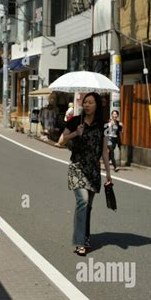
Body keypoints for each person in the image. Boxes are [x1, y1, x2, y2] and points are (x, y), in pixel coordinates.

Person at [60, 92, 112, 256]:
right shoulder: (76, 120)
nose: (87, 105)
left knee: (88, 206)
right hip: (77, 167)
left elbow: (104, 150)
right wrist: (76, 133)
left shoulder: (102, 125)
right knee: (82, 201)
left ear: (97, 105)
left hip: (93, 170)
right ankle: (79, 242)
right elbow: (62, 140)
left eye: (90, 102)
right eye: (85, 102)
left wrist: (109, 174)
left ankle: (85, 235)